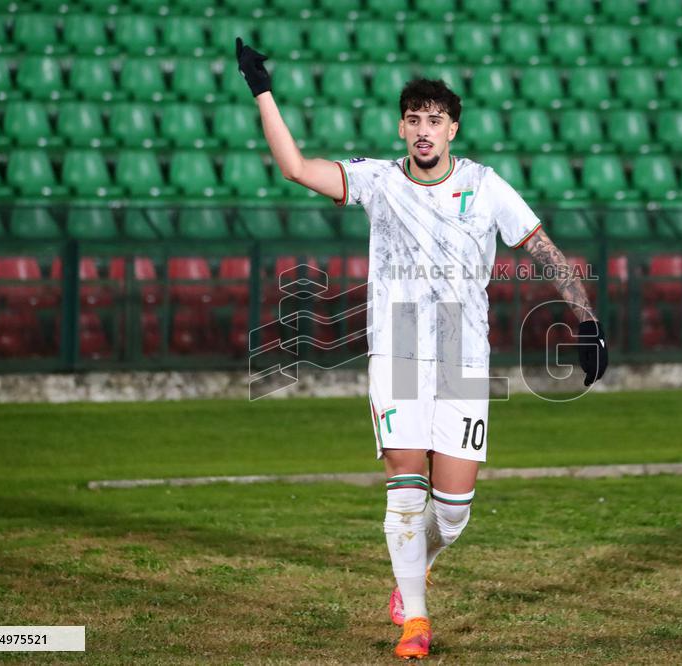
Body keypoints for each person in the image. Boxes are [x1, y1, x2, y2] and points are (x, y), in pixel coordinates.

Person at [236, 38, 608, 659]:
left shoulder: (485, 186)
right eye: (413, 119)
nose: (423, 130)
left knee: (454, 510)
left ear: (453, 128)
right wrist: (263, 91)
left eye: (435, 120)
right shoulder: (378, 181)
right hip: (399, 343)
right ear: (402, 127)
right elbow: (297, 169)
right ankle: (416, 620)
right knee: (407, 491)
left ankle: (414, 570)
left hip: (464, 348)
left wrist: (585, 318)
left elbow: (540, 247)